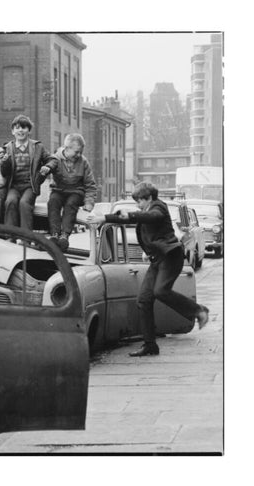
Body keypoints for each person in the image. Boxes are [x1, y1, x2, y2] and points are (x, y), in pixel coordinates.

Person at [87, 182, 209, 357]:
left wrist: (117, 217)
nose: (138, 205)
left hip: (171, 257)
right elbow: (140, 223)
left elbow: (151, 217)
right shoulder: (148, 210)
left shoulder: (159, 207)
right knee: (144, 300)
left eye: (140, 201)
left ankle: (199, 311)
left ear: (149, 198)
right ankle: (150, 345)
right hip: (158, 259)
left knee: (160, 291)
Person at [40, 133, 97, 251]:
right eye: (76, 152)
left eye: (81, 152)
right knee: (53, 202)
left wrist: (89, 203)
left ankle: (65, 235)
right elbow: (49, 166)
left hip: (76, 191)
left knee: (71, 204)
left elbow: (90, 185)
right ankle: (54, 234)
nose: (79, 155)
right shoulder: (55, 158)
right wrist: (46, 169)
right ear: (66, 148)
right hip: (59, 190)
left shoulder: (84, 162)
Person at [1, 115, 50, 230]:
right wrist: (5, 163)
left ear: (29, 131)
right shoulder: (7, 148)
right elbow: (4, 172)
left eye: (24, 127)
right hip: (14, 186)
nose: (20, 130)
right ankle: (10, 235)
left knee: (24, 203)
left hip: (30, 185)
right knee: (10, 202)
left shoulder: (37, 147)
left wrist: (47, 167)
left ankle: (26, 238)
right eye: (17, 128)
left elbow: (51, 159)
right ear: (13, 131)